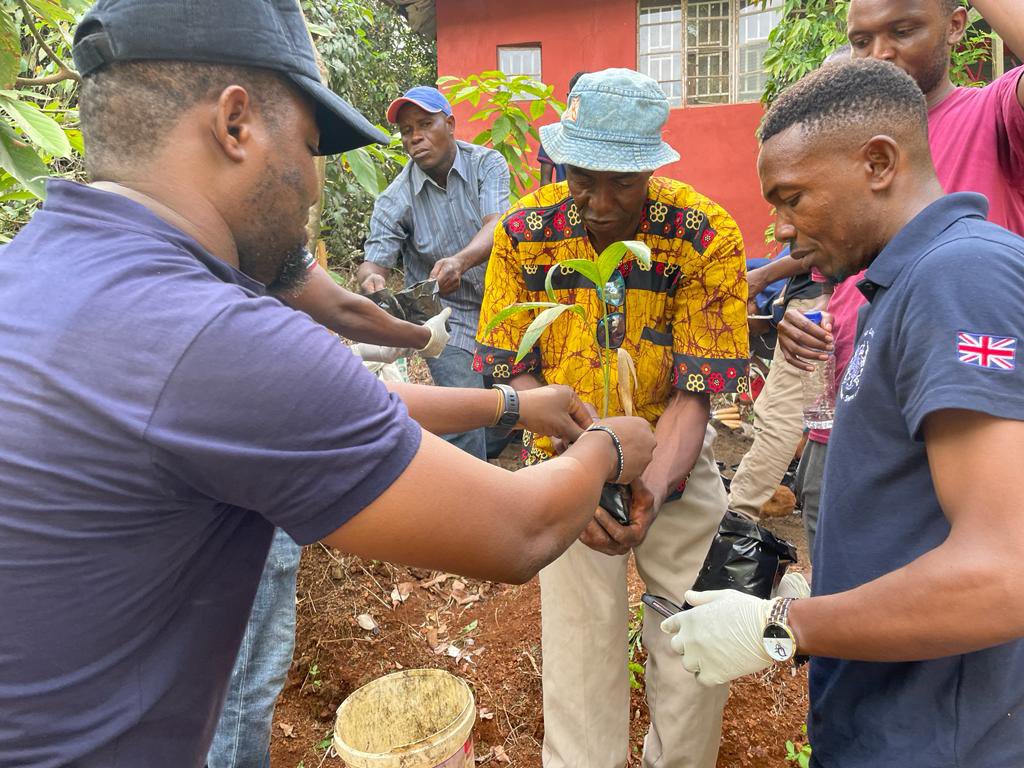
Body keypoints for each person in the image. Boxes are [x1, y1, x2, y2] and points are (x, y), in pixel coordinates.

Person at [0, 3, 658, 766]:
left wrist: (512, 401)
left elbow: (353, 402)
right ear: (236, 126)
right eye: (313, 148)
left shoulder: (35, 267)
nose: (316, 187)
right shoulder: (216, 334)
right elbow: (521, 531)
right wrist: (611, 444)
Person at [662, 58, 1024, 768]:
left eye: (793, 197)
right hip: (885, 719)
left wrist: (783, 623)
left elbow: (1003, 572)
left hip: (938, 741)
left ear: (879, 163)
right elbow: (914, 510)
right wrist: (820, 590)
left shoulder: (960, 276)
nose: (782, 226)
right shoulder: (896, 289)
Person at [476, 69, 749, 768]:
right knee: (577, 652)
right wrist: (586, 460)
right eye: (582, 177)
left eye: (621, 184)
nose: (598, 203)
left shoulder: (704, 235)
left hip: (675, 465)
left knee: (694, 639)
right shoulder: (524, 235)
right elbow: (513, 363)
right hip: (567, 462)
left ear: (653, 167)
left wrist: (650, 490)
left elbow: (695, 392)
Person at [776, 0, 1024, 551]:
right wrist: (793, 316)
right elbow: (832, 248)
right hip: (849, 403)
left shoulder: (992, 113)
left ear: (956, 25)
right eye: (862, 41)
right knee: (847, 578)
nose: (880, 55)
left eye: (902, 30)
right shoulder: (843, 134)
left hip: (958, 405)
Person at [208, 256, 452, 768]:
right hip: (247, 466)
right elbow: (340, 307)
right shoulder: (254, 228)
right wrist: (419, 338)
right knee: (248, 673)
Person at [356, 86, 509, 459]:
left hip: (501, 305)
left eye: (425, 124)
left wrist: (461, 260)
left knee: (507, 411)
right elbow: (374, 262)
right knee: (467, 411)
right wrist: (370, 280)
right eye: (407, 131)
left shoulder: (486, 164)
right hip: (443, 319)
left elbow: (498, 223)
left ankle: (441, 455)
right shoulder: (396, 197)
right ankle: (468, 501)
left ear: (450, 124)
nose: (415, 138)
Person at [538, 71, 587, 186]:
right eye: (578, 98)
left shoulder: (604, 136)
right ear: (569, 98)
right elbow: (545, 183)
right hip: (564, 202)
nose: (584, 103)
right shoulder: (551, 135)